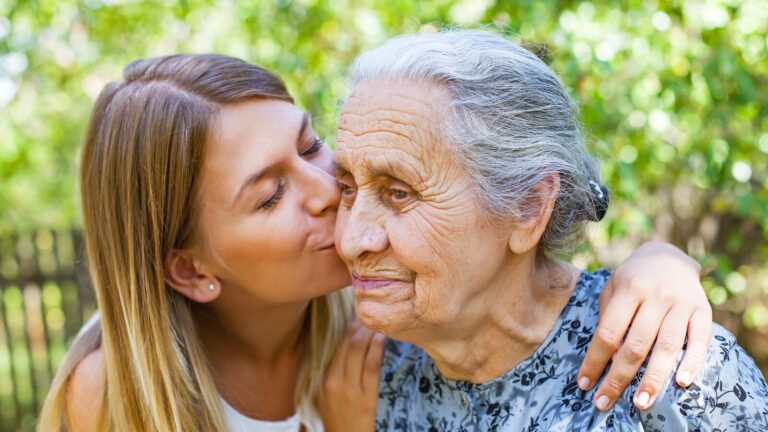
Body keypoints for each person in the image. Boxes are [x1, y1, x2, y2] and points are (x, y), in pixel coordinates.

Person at [39, 53, 712, 432]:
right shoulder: (115, 397)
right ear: (190, 270)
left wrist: (662, 265)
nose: (332, 191)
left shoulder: (392, 324)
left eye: (310, 146)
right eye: (270, 195)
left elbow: (494, 241)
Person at [333, 30, 768, 430]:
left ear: (528, 207)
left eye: (400, 193)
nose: (352, 239)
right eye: (347, 188)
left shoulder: (671, 367)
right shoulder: (364, 373)